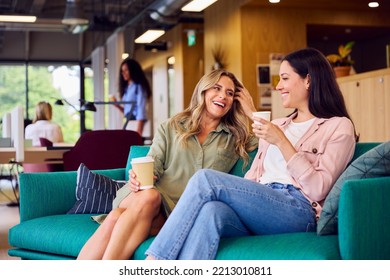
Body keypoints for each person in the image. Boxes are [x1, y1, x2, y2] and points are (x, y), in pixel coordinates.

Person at [145, 47, 358, 260]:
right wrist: (255, 115)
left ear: (308, 80)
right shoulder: (278, 125)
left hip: (298, 209)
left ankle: (154, 262)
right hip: (261, 205)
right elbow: (254, 177)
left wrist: (282, 142)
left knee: (204, 179)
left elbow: (319, 188)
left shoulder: (338, 126)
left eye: (284, 78)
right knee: (211, 211)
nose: (279, 86)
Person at [77, 69, 258, 260]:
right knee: (150, 195)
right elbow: (153, 164)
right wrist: (137, 177)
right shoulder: (173, 125)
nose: (223, 96)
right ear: (203, 91)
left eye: (230, 93)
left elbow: (273, 141)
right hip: (146, 196)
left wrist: (251, 111)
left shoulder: (236, 138)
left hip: (177, 214)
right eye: (217, 88)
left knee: (115, 217)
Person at [110, 58, 152, 135]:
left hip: (137, 123)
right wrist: (117, 106)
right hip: (129, 121)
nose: (123, 73)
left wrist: (139, 130)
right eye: (122, 71)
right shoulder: (127, 88)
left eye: (126, 70)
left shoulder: (139, 86)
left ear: (132, 71)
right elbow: (128, 110)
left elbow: (141, 107)